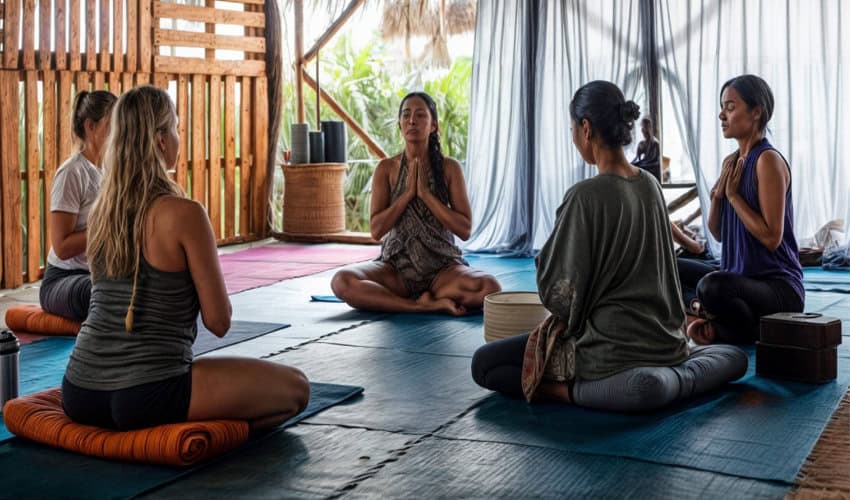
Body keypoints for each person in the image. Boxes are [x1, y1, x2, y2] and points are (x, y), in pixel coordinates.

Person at [471, 81, 747, 412]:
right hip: (666, 342)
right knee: (733, 358)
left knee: (485, 364)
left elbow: (560, 296)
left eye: (573, 128)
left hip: (609, 350)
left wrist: (546, 260)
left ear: (585, 128)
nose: (574, 137)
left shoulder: (584, 196)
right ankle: (677, 380)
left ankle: (570, 393)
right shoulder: (649, 185)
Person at [62, 86, 309, 432]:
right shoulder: (185, 213)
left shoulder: (103, 212)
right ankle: (208, 438)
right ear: (162, 140)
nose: (179, 137)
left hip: (79, 391)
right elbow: (219, 322)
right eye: (176, 128)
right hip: (149, 392)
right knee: (296, 387)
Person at [331, 92, 501, 315]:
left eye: (420, 115)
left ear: (433, 126)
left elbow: (465, 229)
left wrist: (426, 195)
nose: (412, 121)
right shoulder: (386, 169)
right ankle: (419, 305)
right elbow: (376, 230)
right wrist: (407, 195)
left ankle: (408, 301)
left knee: (490, 286)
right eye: (406, 115)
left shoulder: (450, 168)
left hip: (442, 270)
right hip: (395, 270)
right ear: (400, 124)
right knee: (342, 281)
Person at [687, 75, 804, 345]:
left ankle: (721, 324)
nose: (721, 115)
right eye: (722, 108)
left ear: (756, 112)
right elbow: (717, 233)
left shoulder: (768, 160)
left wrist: (733, 196)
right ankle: (713, 319)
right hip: (741, 280)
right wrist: (718, 198)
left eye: (730, 107)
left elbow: (772, 237)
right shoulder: (732, 162)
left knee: (712, 286)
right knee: (670, 268)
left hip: (778, 288)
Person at [40, 90, 117, 321]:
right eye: (110, 125)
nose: (117, 133)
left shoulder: (110, 170)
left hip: (99, 274)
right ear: (90, 126)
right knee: (104, 294)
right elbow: (62, 247)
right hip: (63, 280)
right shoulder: (72, 173)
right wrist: (109, 226)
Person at [631, 117, 661, 181]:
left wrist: (641, 165)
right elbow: (637, 158)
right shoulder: (641, 144)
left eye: (647, 127)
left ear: (651, 128)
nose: (645, 130)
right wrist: (630, 164)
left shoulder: (656, 144)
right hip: (645, 168)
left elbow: (656, 162)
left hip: (653, 171)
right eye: (643, 128)